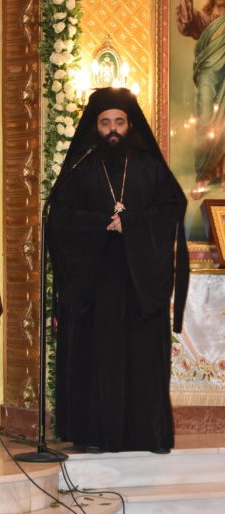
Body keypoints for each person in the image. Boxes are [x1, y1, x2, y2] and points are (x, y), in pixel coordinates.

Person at [46, 87, 189, 454]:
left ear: (130, 125)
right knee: (97, 359)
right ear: (95, 126)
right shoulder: (81, 167)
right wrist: (99, 224)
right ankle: (94, 434)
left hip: (138, 282)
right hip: (93, 283)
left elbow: (172, 207)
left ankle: (144, 434)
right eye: (105, 122)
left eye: (119, 122)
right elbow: (59, 217)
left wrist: (133, 223)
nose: (112, 129)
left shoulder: (149, 166)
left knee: (140, 360)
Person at [176, 0, 225, 199]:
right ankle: (203, 174)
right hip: (207, 73)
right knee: (205, 118)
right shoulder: (205, 18)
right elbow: (188, 26)